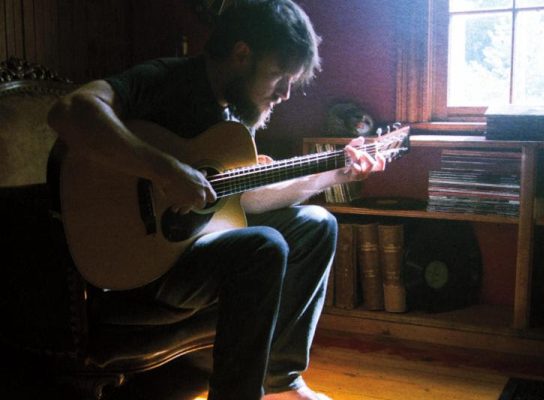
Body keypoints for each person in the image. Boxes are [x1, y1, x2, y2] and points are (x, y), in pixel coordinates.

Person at [48, 1, 385, 399]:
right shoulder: (165, 79)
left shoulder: (237, 113)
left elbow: (246, 201)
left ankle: (281, 382)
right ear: (242, 54)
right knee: (263, 246)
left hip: (199, 249)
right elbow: (69, 111)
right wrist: (165, 170)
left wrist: (332, 175)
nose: (285, 94)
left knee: (316, 225)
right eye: (279, 75)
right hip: (142, 263)